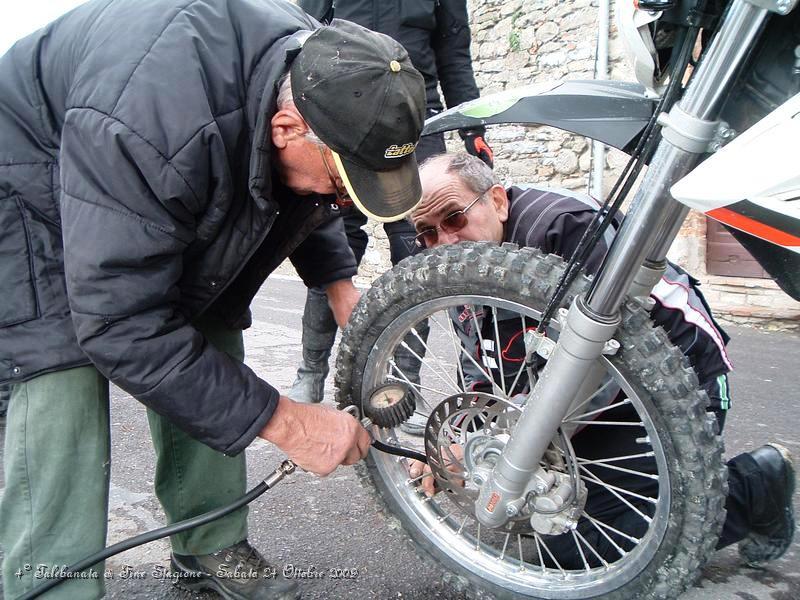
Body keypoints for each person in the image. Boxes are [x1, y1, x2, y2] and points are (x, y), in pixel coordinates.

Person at [0, 1, 427, 598]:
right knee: (61, 371)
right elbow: (120, 325)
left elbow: (312, 191)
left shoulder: (328, 74)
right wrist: (287, 423)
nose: (344, 197)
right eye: (341, 180)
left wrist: (338, 285)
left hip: (158, 149)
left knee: (211, 320)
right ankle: (52, 580)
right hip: (28, 173)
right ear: (285, 129)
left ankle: (210, 546)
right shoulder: (148, 121)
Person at [407, 152, 796, 568]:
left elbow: (614, 355)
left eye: (453, 219)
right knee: (540, 502)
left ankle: (754, 488)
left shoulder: (564, 227)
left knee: (578, 556)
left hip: (673, 380)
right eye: (427, 233)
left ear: (497, 201)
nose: (444, 242)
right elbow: (483, 374)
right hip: (576, 403)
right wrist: (461, 441)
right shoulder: (461, 268)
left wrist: (523, 444)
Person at [288, 0, 494, 408]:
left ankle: (405, 383)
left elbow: (453, 54)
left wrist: (473, 128)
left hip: (417, 121)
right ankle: (311, 371)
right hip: (348, 118)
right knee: (333, 241)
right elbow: (306, 34)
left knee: (417, 256)